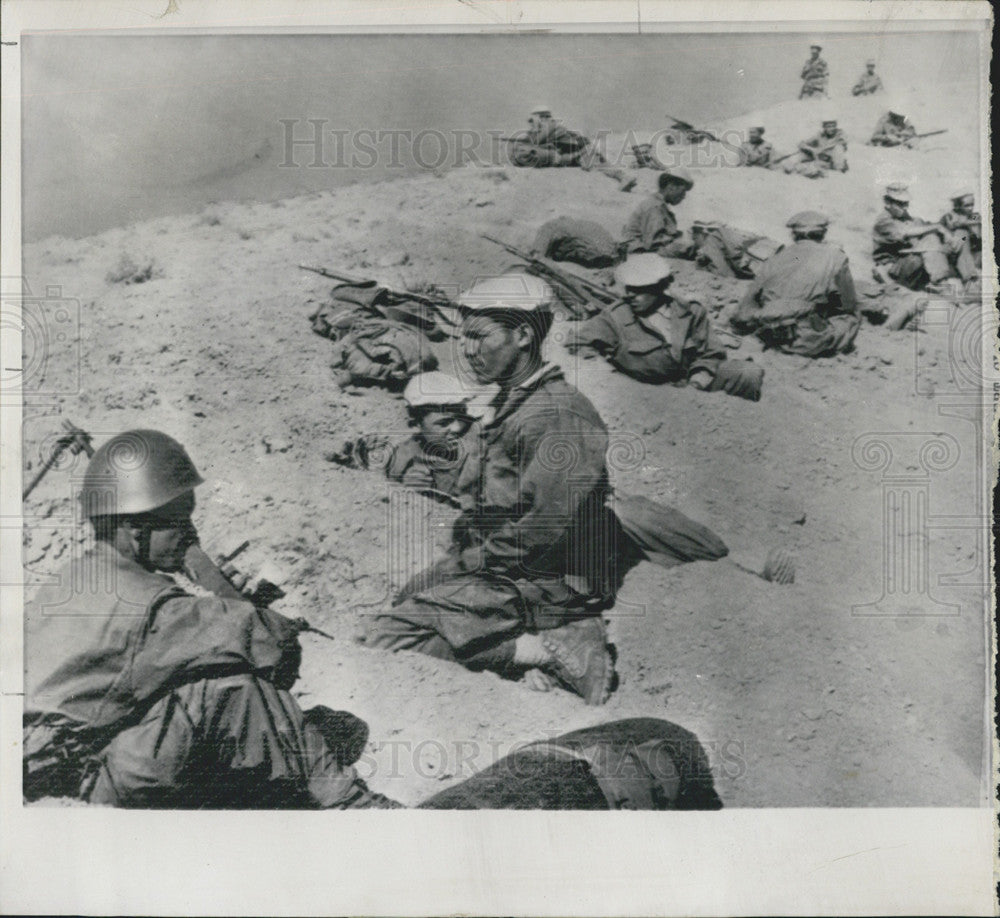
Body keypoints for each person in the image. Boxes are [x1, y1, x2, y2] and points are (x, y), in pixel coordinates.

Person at [23, 429, 399, 808]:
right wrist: (205, 571)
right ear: (136, 529)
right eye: (180, 522)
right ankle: (353, 807)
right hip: (83, 781)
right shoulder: (154, 607)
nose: (191, 533)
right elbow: (277, 646)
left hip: (44, 766)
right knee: (229, 686)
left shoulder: (70, 579)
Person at [365, 273, 618, 705]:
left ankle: (539, 649)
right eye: (463, 337)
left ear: (522, 335)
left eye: (479, 336)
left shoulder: (559, 414)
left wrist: (469, 565)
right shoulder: (511, 404)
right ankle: (513, 654)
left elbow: (543, 529)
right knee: (404, 601)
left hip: (540, 580)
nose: (465, 348)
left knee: (384, 639)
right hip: (500, 566)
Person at [565, 254, 764, 400]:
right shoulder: (617, 316)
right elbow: (578, 342)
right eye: (628, 290)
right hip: (643, 394)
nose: (629, 296)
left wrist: (698, 379)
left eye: (639, 290)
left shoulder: (690, 312)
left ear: (659, 289)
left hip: (688, 382)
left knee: (748, 373)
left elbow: (711, 352)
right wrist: (607, 372)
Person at [731, 211, 861, 357]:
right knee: (850, 318)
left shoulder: (775, 257)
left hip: (767, 334)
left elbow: (747, 304)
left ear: (793, 235)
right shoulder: (836, 257)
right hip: (807, 341)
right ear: (823, 233)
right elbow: (848, 304)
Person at [872, 183, 974, 291]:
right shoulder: (883, 222)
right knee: (931, 238)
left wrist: (952, 229)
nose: (905, 208)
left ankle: (970, 279)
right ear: (888, 203)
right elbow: (908, 232)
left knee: (962, 235)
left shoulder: (973, 215)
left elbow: (927, 225)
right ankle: (940, 281)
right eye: (900, 204)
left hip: (921, 260)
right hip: (898, 269)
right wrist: (939, 227)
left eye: (906, 203)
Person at [509, 105, 636, 191]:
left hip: (581, 152)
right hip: (573, 153)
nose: (531, 123)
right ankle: (624, 178)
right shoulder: (548, 127)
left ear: (540, 117)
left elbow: (537, 141)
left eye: (533, 120)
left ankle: (624, 178)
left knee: (597, 165)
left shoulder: (551, 126)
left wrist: (528, 136)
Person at [622, 166, 696, 258]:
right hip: (642, 259)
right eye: (683, 191)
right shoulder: (655, 207)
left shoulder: (659, 206)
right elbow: (653, 246)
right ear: (671, 186)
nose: (684, 196)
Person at [939, 191, 981, 280]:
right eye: (967, 205)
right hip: (953, 248)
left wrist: (963, 223)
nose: (971, 208)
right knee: (961, 234)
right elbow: (942, 234)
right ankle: (969, 273)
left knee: (963, 234)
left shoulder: (974, 216)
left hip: (970, 247)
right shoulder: (948, 217)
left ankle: (969, 273)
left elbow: (975, 228)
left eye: (972, 204)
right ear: (958, 206)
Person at [784, 118, 848, 176]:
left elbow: (840, 142)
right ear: (824, 127)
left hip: (833, 162)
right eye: (829, 126)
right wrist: (812, 149)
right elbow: (802, 144)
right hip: (820, 159)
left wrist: (821, 149)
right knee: (799, 155)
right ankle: (791, 166)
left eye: (833, 126)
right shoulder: (820, 135)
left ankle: (811, 170)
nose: (832, 128)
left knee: (838, 147)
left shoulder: (840, 133)